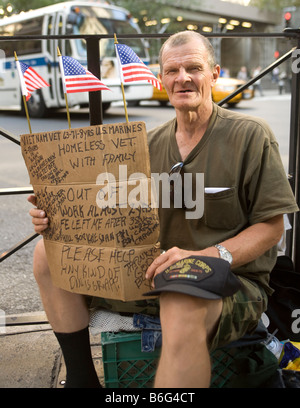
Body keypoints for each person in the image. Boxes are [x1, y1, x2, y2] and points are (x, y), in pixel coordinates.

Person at [28, 31, 298, 388]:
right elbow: (106, 213)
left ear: (214, 73)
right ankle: (82, 379)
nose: (182, 78)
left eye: (194, 68)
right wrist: (55, 216)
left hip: (230, 283)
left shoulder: (250, 135)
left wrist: (207, 256)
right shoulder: (145, 145)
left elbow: (272, 227)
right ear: (161, 79)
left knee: (182, 292)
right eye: (172, 70)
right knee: (48, 253)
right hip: (150, 272)